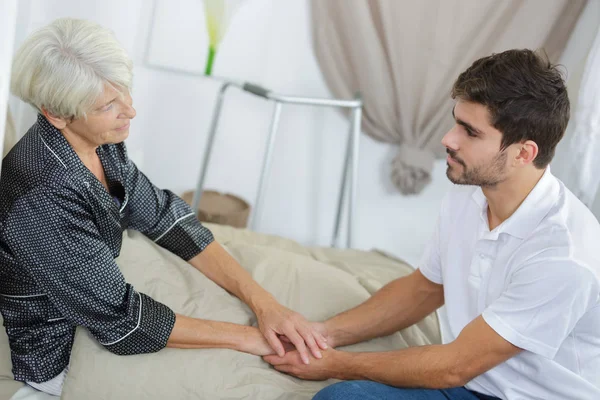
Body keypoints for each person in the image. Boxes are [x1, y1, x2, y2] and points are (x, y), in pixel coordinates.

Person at [0, 18, 326, 397]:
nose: (130, 111)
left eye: (125, 92)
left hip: (104, 299)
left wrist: (264, 302)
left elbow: (164, 216)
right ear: (56, 114)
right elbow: (124, 322)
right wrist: (249, 338)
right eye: (109, 105)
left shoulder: (100, 142)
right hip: (60, 348)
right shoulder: (41, 197)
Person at [264, 49, 600, 400]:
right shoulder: (469, 191)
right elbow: (425, 288)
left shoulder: (563, 255)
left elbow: (455, 365)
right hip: (467, 384)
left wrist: (334, 363)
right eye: (456, 121)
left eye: (470, 132)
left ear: (522, 154)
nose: (448, 139)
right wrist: (321, 336)